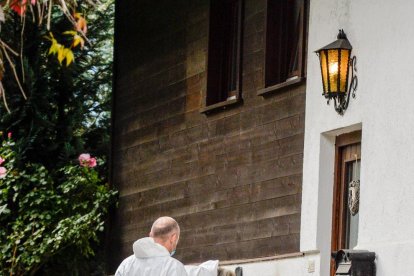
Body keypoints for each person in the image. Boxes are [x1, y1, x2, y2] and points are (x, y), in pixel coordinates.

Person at [115, 216, 188, 276]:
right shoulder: (175, 268)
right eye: (177, 239)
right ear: (174, 238)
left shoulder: (126, 264)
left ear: (150, 235)